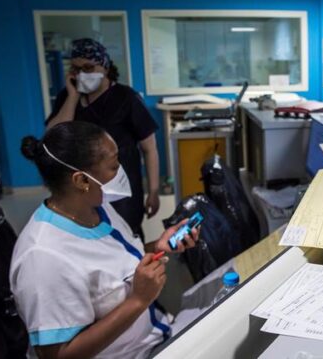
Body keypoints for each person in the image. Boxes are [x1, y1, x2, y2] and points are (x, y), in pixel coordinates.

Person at [12, 121, 199, 358]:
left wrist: (159, 246)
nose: (121, 171)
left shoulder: (96, 207)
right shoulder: (43, 258)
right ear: (81, 181)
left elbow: (116, 262)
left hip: (154, 334)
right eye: (113, 165)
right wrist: (138, 300)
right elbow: (57, 355)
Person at [47, 38, 159, 242]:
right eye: (76, 69)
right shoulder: (68, 97)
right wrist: (73, 97)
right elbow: (52, 136)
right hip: (82, 188)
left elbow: (149, 148)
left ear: (105, 67)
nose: (82, 74)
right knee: (92, 239)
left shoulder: (127, 98)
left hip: (121, 187)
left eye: (89, 68)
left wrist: (153, 190)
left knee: (126, 235)